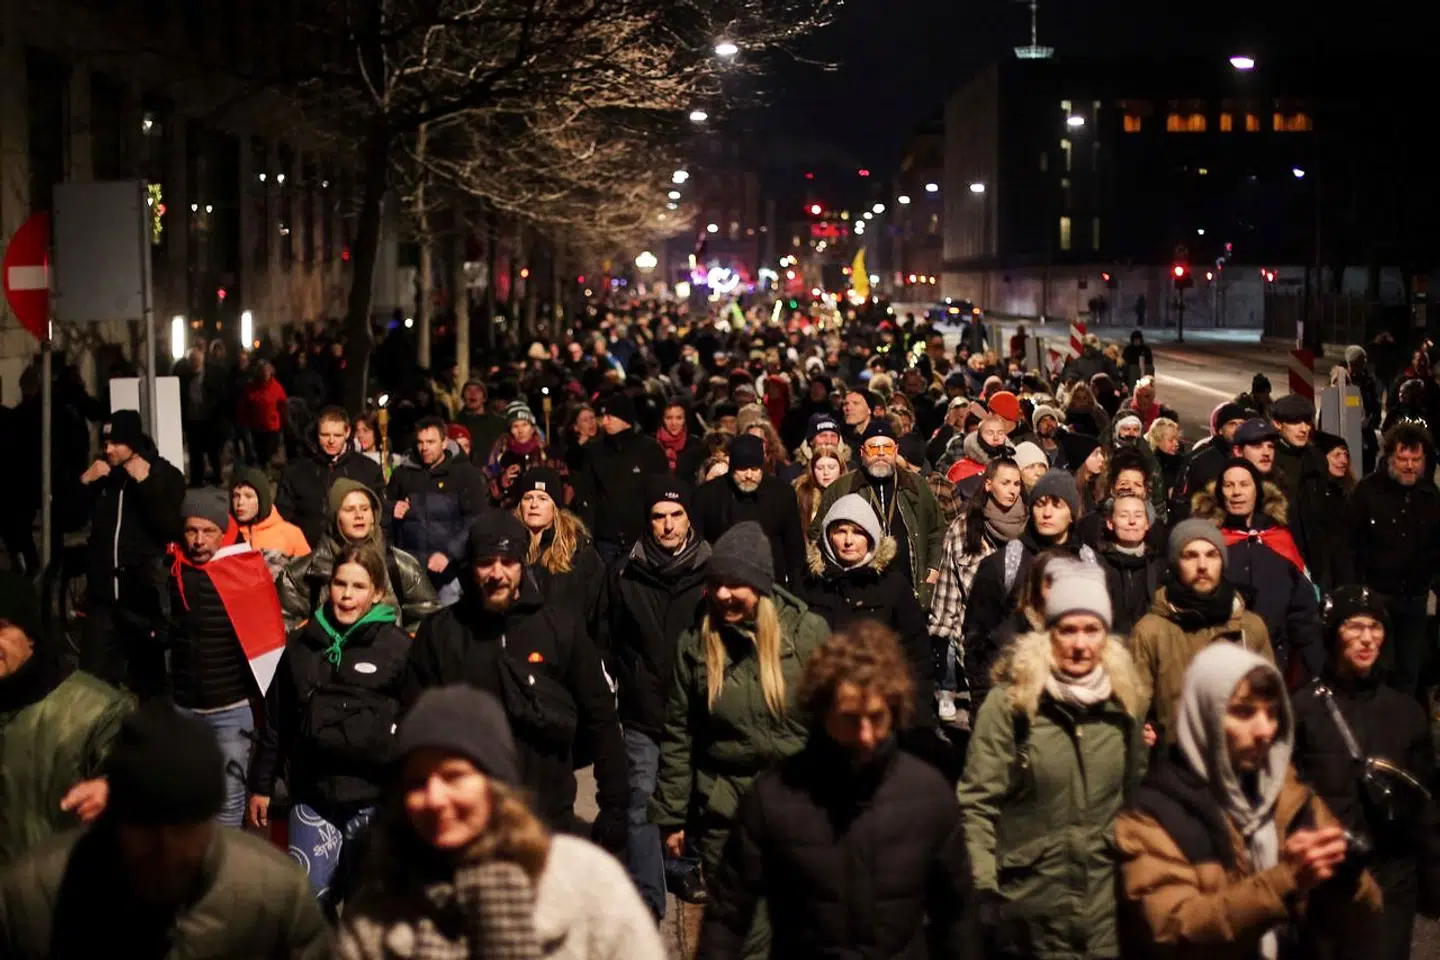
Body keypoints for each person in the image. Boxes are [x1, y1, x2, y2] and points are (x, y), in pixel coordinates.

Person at [699, 622, 980, 959]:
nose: (865, 735)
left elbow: (957, 916)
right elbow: (728, 915)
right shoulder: (773, 797)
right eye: (850, 718)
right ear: (822, 710)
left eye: (876, 717)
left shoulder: (928, 794)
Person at [336, 686, 667, 960]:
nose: (434, 798)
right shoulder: (373, 915)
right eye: (417, 782)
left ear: (496, 788)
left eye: (454, 777)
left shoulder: (587, 882)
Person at [0, 702, 331, 958]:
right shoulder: (34, 897)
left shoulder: (273, 896)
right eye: (146, 824)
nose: (165, 845)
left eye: (182, 826)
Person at [1115, 644, 1382, 959]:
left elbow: (1367, 915)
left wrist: (1343, 874)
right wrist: (1286, 880)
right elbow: (1174, 930)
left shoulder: (1287, 794)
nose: (1264, 730)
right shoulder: (1152, 813)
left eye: (1272, 713)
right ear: (1204, 716)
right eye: (1244, 712)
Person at [651, 522, 830, 957]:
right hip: (727, 812)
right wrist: (672, 815)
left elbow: (834, 724)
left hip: (799, 809)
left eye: (735, 584)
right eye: (716, 585)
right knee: (744, 936)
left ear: (761, 586)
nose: (723, 595)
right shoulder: (696, 644)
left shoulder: (808, 636)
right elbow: (679, 733)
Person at [402, 511, 629, 853]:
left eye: (507, 562)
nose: (497, 574)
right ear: (471, 566)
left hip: (545, 817)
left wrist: (615, 805)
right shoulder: (440, 634)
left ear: (522, 565)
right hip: (464, 823)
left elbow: (602, 720)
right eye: (486, 563)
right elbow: (413, 723)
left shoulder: (560, 630)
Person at [959, 559, 1145, 960]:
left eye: (1092, 629)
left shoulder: (1125, 704)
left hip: (1105, 916)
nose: (1080, 644)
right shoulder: (1011, 704)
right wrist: (984, 888)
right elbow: (977, 804)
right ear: (1048, 634)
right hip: (1028, 914)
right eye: (1068, 630)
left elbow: (1137, 800)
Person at [248, 544, 410, 902]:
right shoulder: (302, 645)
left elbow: (416, 722)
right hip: (313, 797)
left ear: (377, 593)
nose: (347, 595)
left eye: (358, 586)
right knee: (308, 904)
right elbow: (276, 719)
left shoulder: (399, 649)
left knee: (368, 908)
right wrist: (261, 785)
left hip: (373, 799)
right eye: (340, 584)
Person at [1291, 586, 1440, 960]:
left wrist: (1433, 881)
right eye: (1355, 627)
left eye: (1375, 627)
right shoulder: (1302, 709)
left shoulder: (1406, 713)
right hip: (1325, 883)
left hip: (1390, 878)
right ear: (1333, 633)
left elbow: (1425, 806)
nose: (1367, 638)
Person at [594, 474, 711, 918]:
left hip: (697, 706)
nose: (668, 525)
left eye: (676, 515)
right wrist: (619, 681)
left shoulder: (710, 568)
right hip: (642, 705)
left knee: (695, 793)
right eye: (659, 516)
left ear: (689, 518)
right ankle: (648, 892)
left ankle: (683, 865)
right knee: (642, 796)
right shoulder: (625, 570)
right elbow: (606, 634)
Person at [166, 489, 288, 828]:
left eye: (208, 531)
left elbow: (268, 640)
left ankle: (226, 860)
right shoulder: (172, 570)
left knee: (229, 803)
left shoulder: (245, 571)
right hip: (185, 707)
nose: (198, 540)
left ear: (224, 532)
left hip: (232, 711)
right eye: (191, 531)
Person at [0, 571, 132, 867]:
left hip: (59, 888)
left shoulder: (99, 712)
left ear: (31, 638)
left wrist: (114, 791)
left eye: (1, 628)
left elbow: (141, 792)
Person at [1131, 519, 1276, 748]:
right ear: (1175, 563)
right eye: (1190, 556)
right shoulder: (1150, 631)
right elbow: (1134, 711)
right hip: (1178, 759)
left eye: (1211, 555)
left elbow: (1270, 704)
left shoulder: (1251, 626)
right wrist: (1147, 734)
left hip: (1240, 759)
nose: (1202, 565)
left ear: (1222, 561)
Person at [79, 409, 186, 696]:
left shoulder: (164, 474)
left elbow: (170, 527)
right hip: (102, 601)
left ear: (134, 443)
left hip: (142, 601)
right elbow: (70, 518)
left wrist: (146, 484)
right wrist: (84, 483)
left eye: (116, 443)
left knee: (148, 687)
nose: (108, 450)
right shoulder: (104, 476)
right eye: (105, 443)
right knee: (90, 685)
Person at [277, 478, 440, 633]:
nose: (359, 515)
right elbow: (283, 624)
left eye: (365, 509)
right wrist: (310, 635)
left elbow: (430, 616)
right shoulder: (304, 573)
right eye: (349, 510)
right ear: (335, 517)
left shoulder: (399, 565)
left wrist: (404, 643)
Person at [387, 416, 490, 606]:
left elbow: (475, 519)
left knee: (447, 619)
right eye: (420, 442)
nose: (424, 448)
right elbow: (384, 512)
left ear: (444, 442)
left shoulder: (464, 474)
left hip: (450, 571)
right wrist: (392, 508)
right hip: (410, 569)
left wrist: (449, 553)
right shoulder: (403, 474)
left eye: (431, 442)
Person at [276, 406, 387, 549]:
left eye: (337, 435)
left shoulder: (368, 469)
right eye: (325, 435)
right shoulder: (296, 471)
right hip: (306, 551)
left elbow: (380, 516)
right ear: (317, 433)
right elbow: (282, 516)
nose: (331, 441)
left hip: (356, 552)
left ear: (347, 432)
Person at [229, 466, 311, 576]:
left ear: (262, 500)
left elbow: (307, 575)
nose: (240, 502)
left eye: (248, 496)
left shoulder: (291, 534)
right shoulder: (224, 533)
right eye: (236, 496)